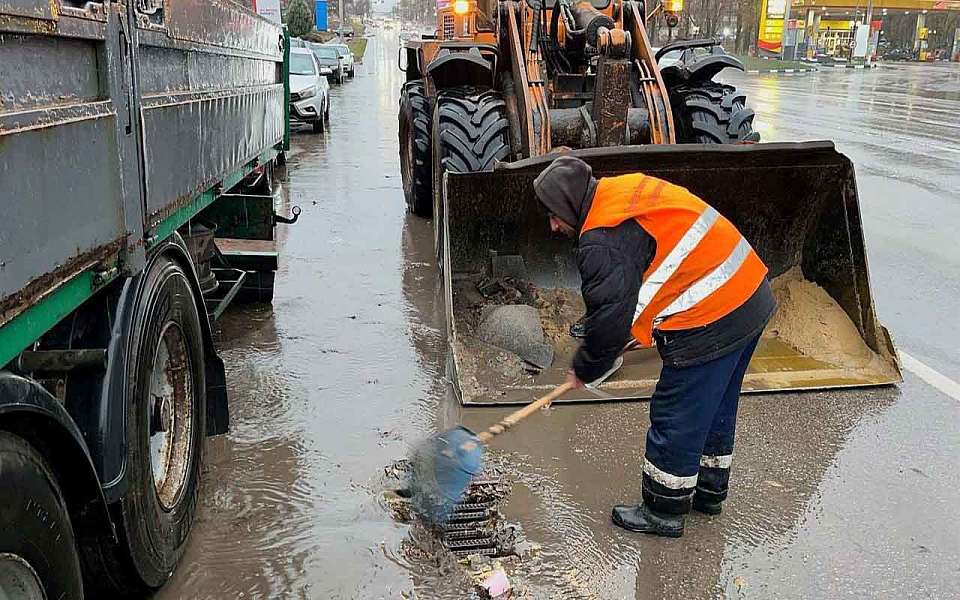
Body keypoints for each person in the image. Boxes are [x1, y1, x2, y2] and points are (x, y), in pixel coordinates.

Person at [533, 155, 777, 538]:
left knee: (677, 410)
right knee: (714, 404)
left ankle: (663, 509)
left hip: (712, 311)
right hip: (749, 293)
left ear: (567, 204)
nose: (552, 225)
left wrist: (584, 368)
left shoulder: (600, 237)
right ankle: (709, 492)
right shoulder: (619, 191)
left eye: (552, 215)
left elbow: (609, 322)